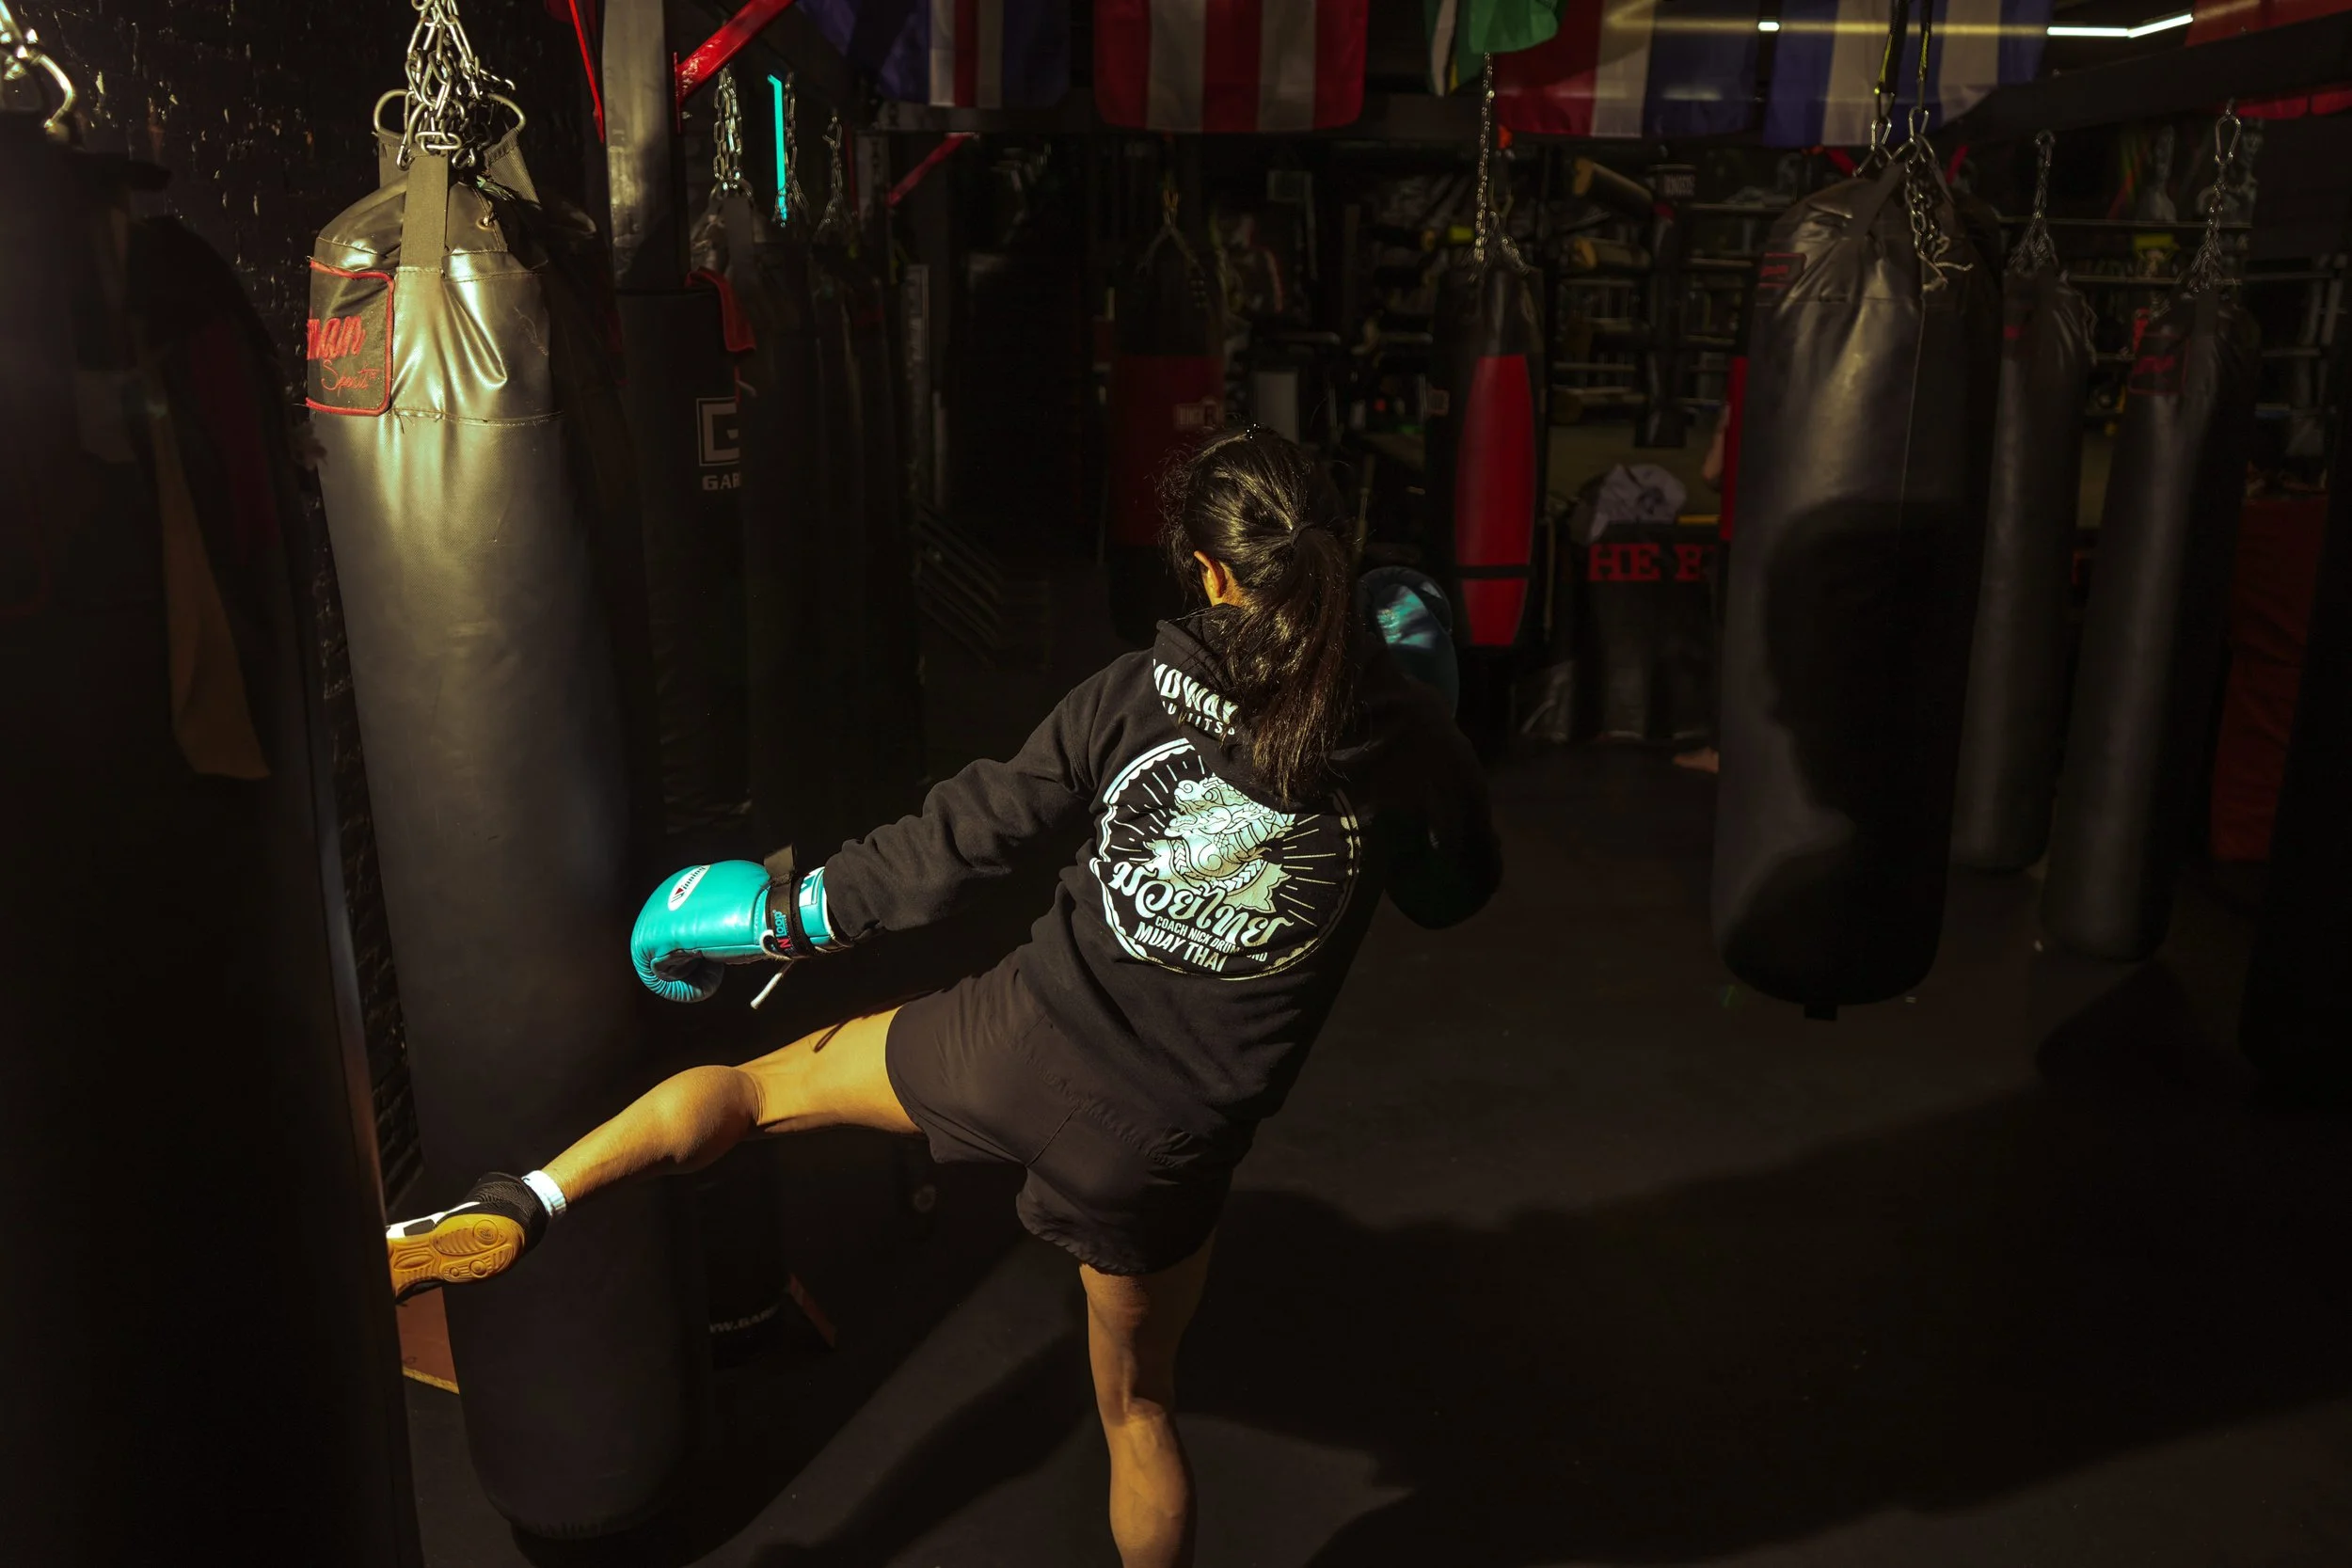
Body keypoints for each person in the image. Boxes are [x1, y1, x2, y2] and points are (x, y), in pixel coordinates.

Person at [384, 426, 1500, 1568]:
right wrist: (1426, 740)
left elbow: (966, 833)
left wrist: (788, 913)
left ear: (1210, 570)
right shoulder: (1400, 735)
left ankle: (528, 1196)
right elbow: (1451, 894)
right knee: (1139, 1410)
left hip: (1014, 1039)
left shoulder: (1129, 691)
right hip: (1157, 1143)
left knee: (755, 1090)